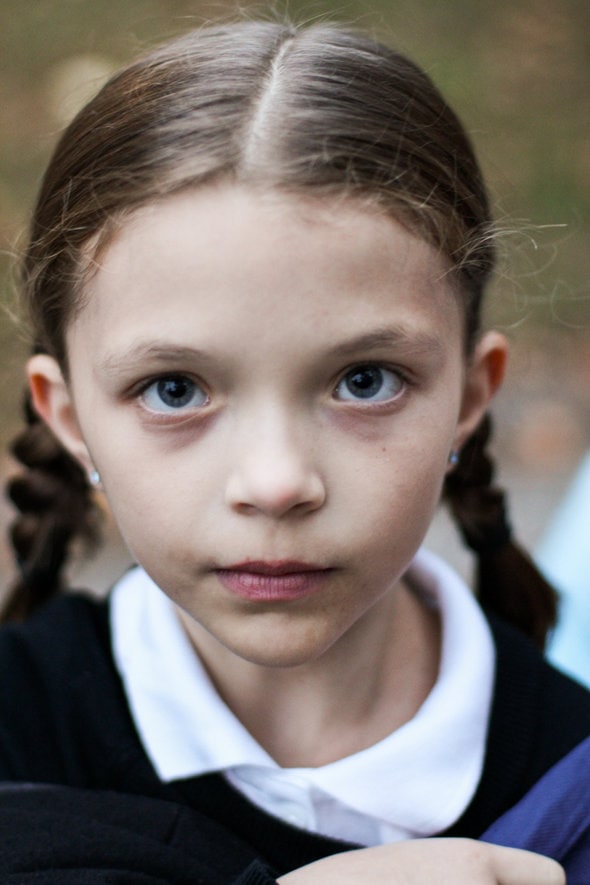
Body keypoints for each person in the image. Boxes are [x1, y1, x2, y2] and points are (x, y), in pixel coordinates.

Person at [0, 18, 586, 883]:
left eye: (364, 380)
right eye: (175, 389)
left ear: (469, 395)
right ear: (71, 416)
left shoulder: (569, 774)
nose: (276, 483)